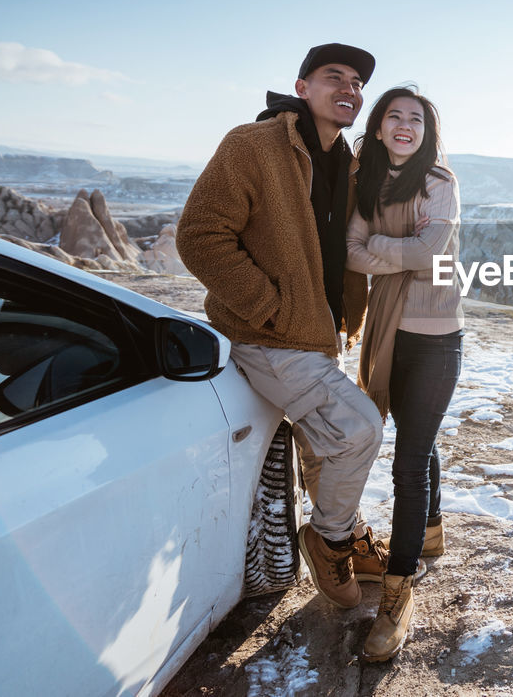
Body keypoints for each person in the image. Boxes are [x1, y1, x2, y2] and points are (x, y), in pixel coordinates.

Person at [176, 43, 391, 612]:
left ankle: (349, 530)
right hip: (268, 337)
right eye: (333, 77)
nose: (349, 88)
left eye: (356, 82)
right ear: (301, 88)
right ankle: (329, 541)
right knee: (360, 429)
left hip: (318, 335)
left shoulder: (344, 158)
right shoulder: (254, 146)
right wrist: (269, 307)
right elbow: (199, 236)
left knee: (325, 453)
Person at [345, 86, 462, 662]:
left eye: (416, 119)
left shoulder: (439, 182)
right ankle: (432, 529)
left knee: (409, 457)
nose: (405, 125)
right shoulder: (367, 181)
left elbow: (432, 248)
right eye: (395, 115)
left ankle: (397, 593)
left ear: (427, 132)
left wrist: (382, 249)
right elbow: (350, 252)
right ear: (379, 125)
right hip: (388, 330)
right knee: (418, 434)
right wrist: (403, 247)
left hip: (437, 335)